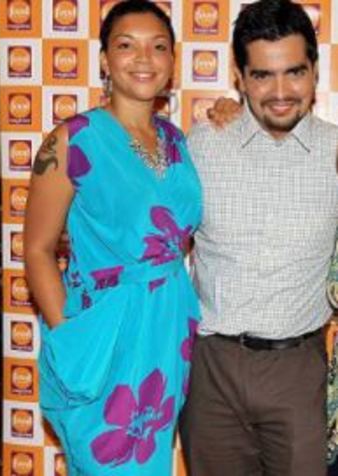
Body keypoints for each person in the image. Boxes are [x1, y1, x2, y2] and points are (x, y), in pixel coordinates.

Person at [24, 1, 202, 474]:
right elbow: (37, 249)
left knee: (151, 460)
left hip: (166, 329)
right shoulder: (73, 139)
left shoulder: (177, 140)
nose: (144, 58)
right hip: (104, 332)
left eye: (158, 46)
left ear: (172, 61)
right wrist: (69, 333)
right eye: (127, 45)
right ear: (105, 60)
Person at [179, 0, 338, 475]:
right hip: (211, 371)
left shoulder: (335, 153)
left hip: (299, 371)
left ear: (314, 71)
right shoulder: (202, 146)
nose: (281, 92)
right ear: (240, 77)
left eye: (294, 73)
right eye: (263, 76)